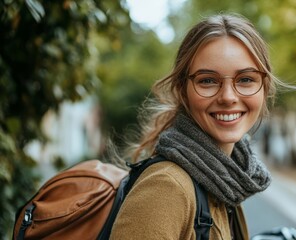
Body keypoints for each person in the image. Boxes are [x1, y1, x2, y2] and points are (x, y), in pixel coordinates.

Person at [110, 13, 284, 240]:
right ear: (183, 91)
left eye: (245, 79)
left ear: (264, 87)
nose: (228, 97)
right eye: (208, 80)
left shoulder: (226, 184)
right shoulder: (167, 188)